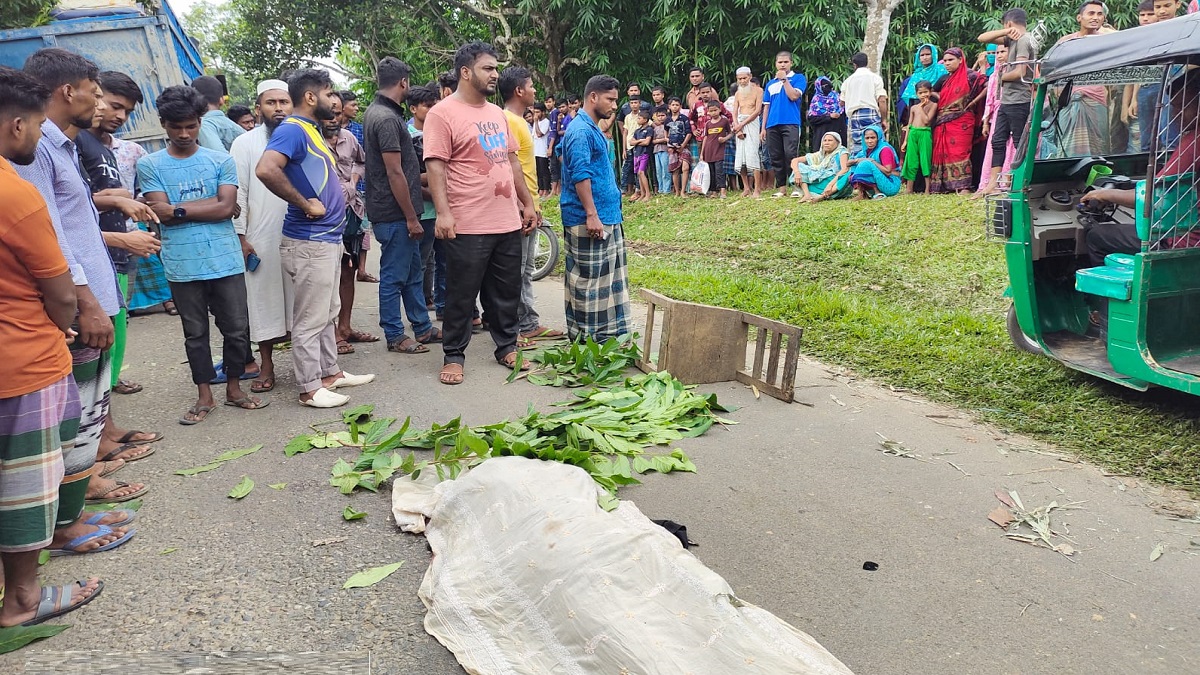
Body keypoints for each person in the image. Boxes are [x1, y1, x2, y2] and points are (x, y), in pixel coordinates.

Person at [17, 48, 150, 512]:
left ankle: (85, 469)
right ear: (66, 91)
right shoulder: (34, 149)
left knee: (91, 399)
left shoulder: (63, 144)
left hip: (93, 285)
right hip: (78, 297)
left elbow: (72, 216)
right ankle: (77, 493)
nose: (99, 104)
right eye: (95, 94)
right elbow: (48, 230)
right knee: (74, 404)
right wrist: (86, 301)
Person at [0, 65, 107, 629]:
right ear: (17, 125)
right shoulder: (15, 194)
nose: (39, 136)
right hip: (22, 361)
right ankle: (20, 599)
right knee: (23, 485)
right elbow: (59, 289)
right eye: (37, 125)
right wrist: (66, 320)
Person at [137, 86, 265, 423]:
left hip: (225, 258)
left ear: (199, 122)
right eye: (175, 126)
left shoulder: (221, 159)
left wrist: (176, 209)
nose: (183, 134)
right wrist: (210, 207)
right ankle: (204, 395)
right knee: (194, 333)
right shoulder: (149, 164)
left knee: (236, 328)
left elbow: (225, 207)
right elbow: (160, 212)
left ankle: (235, 388)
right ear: (163, 123)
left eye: (191, 126)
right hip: (181, 263)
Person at [256, 69, 376, 407]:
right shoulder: (293, 130)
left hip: (325, 240)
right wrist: (303, 202)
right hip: (309, 242)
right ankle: (309, 388)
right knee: (310, 317)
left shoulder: (308, 129)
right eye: (328, 93)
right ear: (311, 97)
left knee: (327, 310)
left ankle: (330, 373)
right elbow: (266, 169)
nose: (334, 100)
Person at [425, 42, 538, 385]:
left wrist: (527, 202)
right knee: (461, 292)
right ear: (465, 72)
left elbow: (512, 161)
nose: (495, 74)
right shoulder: (442, 114)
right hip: (467, 222)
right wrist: (443, 213)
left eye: (495, 68)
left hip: (505, 218)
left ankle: (506, 345)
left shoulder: (497, 115)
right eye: (488, 68)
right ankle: (454, 354)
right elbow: (435, 165)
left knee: (505, 290)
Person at [1080, 70, 1198, 329]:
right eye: (1173, 107)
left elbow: (1155, 195)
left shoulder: (1193, 144)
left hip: (1183, 240)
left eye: (1182, 106)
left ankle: (1106, 317)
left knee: (1098, 236)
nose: (1175, 115)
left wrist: (1104, 193)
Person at [79, 71, 162, 397]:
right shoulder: (73, 144)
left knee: (118, 319)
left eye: (127, 111)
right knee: (96, 326)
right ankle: (96, 397)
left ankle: (109, 381)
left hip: (118, 250)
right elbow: (71, 209)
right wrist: (115, 200)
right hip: (93, 253)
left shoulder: (112, 149)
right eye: (114, 106)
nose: (119, 116)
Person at [363, 58, 436, 356]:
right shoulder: (387, 119)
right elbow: (394, 172)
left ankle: (422, 326)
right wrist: (411, 217)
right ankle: (394, 333)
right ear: (403, 82)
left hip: (394, 210)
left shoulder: (378, 113)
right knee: (394, 275)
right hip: (395, 214)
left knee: (413, 272)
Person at [230, 79, 292, 395]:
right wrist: (240, 237)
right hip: (261, 236)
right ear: (259, 108)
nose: (278, 108)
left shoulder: (303, 137)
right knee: (263, 303)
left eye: (284, 102)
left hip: (301, 234)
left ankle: (312, 366)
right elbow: (237, 193)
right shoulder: (244, 144)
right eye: (271, 103)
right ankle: (266, 366)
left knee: (306, 302)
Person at [561, 74, 631, 342]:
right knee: (590, 284)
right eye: (610, 99)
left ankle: (608, 338)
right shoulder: (580, 131)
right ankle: (588, 342)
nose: (615, 106)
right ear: (593, 97)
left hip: (607, 216)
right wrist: (591, 214)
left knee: (608, 283)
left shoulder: (591, 129)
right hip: (589, 218)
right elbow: (580, 174)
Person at [500, 65, 563, 343]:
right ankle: (515, 326)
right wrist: (522, 205)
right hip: (519, 206)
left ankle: (527, 322)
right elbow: (508, 168)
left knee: (524, 269)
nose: (535, 91)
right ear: (519, 90)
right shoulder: (509, 121)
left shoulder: (519, 121)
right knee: (516, 269)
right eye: (531, 86)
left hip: (529, 203)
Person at [322, 93, 378, 354]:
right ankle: (330, 333)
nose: (333, 119)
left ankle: (344, 327)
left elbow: (361, 161)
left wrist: (353, 182)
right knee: (326, 276)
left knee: (348, 270)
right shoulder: (310, 140)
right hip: (322, 217)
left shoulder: (350, 138)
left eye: (336, 113)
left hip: (351, 212)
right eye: (328, 113)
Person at [977, 8, 1036, 194]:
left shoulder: (1025, 40)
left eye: (1004, 25)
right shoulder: (1013, 38)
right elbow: (982, 38)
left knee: (1019, 143)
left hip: (1019, 100)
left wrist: (999, 77)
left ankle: (1019, 183)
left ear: (1008, 23)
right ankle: (992, 184)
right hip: (1007, 100)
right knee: (998, 140)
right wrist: (1005, 32)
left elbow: (1020, 72)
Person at [1050, 1, 1117, 157]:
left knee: (1099, 146)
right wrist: (1059, 93)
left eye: (1100, 14)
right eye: (1091, 13)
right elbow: (1051, 69)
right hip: (1069, 100)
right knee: (1067, 145)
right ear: (1079, 17)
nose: (1095, 17)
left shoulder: (1109, 41)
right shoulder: (1066, 42)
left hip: (1096, 99)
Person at [406, 85, 447, 320]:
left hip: (442, 210)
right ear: (413, 108)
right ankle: (419, 316)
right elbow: (407, 176)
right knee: (420, 265)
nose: (432, 110)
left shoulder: (438, 131)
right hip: (423, 211)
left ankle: (443, 308)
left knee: (445, 263)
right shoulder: (406, 133)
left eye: (434, 105)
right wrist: (435, 186)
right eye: (427, 106)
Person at [930, 47, 986, 194]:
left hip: (962, 121)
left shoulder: (971, 76)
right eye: (945, 61)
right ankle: (944, 186)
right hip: (943, 121)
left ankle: (963, 186)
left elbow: (988, 86)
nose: (947, 63)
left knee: (960, 152)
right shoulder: (945, 79)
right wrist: (942, 99)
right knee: (942, 152)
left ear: (961, 60)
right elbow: (932, 92)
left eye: (951, 60)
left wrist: (974, 102)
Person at [761, 51, 807, 196]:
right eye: (780, 62)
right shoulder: (770, 83)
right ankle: (781, 188)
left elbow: (793, 96)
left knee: (791, 154)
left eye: (785, 62)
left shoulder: (798, 78)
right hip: (772, 124)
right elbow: (766, 106)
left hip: (791, 122)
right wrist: (763, 127)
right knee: (776, 156)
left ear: (791, 63)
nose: (782, 65)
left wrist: (785, 80)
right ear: (775, 64)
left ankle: (796, 186)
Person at [974, 43, 1016, 194]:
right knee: (996, 147)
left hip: (1015, 111)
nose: (999, 55)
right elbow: (990, 101)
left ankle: (1007, 183)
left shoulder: (1018, 73)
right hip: (998, 114)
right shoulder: (993, 76)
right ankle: (990, 183)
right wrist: (986, 122)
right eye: (997, 52)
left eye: (1003, 51)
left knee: (1013, 147)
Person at [840, 52, 889, 157]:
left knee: (859, 144)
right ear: (867, 63)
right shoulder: (875, 78)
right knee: (877, 143)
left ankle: (859, 169)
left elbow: (841, 102)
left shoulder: (847, 81)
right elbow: (882, 100)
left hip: (854, 116)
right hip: (870, 113)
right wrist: (884, 119)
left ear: (854, 65)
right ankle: (879, 167)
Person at [731, 67, 764, 197]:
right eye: (740, 79)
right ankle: (746, 188)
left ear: (750, 76)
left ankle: (757, 189)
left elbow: (757, 111)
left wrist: (741, 125)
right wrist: (736, 126)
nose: (743, 81)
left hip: (752, 123)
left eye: (744, 78)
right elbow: (734, 112)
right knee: (741, 157)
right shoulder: (738, 93)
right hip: (739, 123)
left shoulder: (758, 91)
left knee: (753, 155)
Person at [791, 131, 851, 202]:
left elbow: (844, 169)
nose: (826, 143)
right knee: (799, 166)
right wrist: (797, 173)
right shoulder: (820, 155)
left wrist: (830, 185)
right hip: (820, 181)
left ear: (837, 142)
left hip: (835, 183)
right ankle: (807, 195)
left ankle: (822, 196)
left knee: (849, 174)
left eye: (830, 140)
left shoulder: (842, 151)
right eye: (824, 140)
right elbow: (795, 160)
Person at [901, 81, 937, 193]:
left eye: (926, 92)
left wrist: (921, 107)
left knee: (925, 160)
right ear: (917, 94)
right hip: (913, 134)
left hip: (924, 133)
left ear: (930, 92)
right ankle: (909, 189)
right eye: (920, 93)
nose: (923, 95)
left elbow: (926, 121)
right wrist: (905, 141)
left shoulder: (933, 105)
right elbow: (909, 125)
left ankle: (927, 189)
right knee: (911, 161)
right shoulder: (913, 108)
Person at [848, 125, 902, 199]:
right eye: (867, 138)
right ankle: (862, 194)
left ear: (878, 138)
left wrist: (872, 161)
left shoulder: (884, 149)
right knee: (855, 165)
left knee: (866, 163)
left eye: (873, 138)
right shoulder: (865, 151)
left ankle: (878, 193)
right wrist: (856, 160)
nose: (869, 141)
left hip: (890, 184)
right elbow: (848, 163)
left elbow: (888, 172)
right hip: (879, 182)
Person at [192, 75, 244, 152]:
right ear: (221, 100)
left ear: (193, 101)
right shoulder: (235, 127)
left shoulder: (203, 125)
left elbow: (218, 158)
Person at [899, 44, 949, 111]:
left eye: (928, 54)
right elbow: (910, 96)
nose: (925, 57)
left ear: (933, 55)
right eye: (922, 55)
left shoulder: (942, 70)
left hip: (939, 106)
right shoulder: (916, 75)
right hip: (918, 108)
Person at [699, 101, 733, 198]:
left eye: (715, 110)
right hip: (708, 151)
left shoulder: (724, 121)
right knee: (711, 172)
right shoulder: (708, 124)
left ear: (720, 109)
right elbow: (705, 138)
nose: (713, 113)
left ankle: (723, 190)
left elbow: (731, 133)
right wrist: (702, 153)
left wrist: (724, 139)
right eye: (711, 111)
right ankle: (714, 192)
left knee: (720, 171)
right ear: (708, 112)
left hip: (719, 150)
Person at [807, 76, 847, 153]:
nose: (826, 88)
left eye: (828, 85)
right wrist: (829, 117)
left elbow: (844, 113)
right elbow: (812, 119)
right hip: (822, 134)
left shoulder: (837, 97)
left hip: (839, 132)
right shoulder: (816, 100)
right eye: (824, 86)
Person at [665, 97, 693, 196]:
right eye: (673, 105)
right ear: (669, 106)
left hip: (683, 146)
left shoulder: (684, 118)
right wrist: (666, 138)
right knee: (674, 170)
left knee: (685, 167)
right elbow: (666, 130)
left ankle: (683, 191)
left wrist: (683, 145)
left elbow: (689, 133)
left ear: (680, 107)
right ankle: (677, 191)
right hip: (672, 148)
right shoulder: (667, 119)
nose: (675, 107)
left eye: (677, 105)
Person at [620, 96, 644, 196]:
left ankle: (638, 189)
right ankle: (623, 190)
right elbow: (625, 133)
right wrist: (624, 149)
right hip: (629, 146)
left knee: (639, 169)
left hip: (640, 146)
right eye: (632, 103)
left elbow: (651, 125)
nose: (634, 105)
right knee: (625, 169)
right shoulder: (627, 117)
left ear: (640, 104)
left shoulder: (643, 116)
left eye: (636, 103)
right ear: (629, 105)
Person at [631, 109, 655, 200]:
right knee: (638, 174)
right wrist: (640, 141)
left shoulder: (649, 129)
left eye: (639, 118)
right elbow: (631, 142)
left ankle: (648, 194)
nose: (638, 120)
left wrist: (637, 142)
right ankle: (642, 194)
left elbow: (647, 142)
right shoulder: (637, 131)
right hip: (636, 153)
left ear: (645, 120)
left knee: (642, 172)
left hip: (644, 153)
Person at [651, 106, 672, 195]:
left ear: (666, 116)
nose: (660, 117)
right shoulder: (655, 128)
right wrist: (662, 140)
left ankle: (667, 190)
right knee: (658, 171)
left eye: (663, 115)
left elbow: (669, 139)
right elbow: (653, 141)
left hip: (665, 150)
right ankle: (660, 189)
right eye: (659, 116)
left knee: (665, 170)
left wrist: (660, 140)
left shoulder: (669, 126)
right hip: (656, 151)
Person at [532, 102, 552, 196]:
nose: (536, 114)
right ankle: (541, 188)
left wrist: (535, 122)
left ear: (543, 112)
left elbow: (539, 134)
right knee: (538, 171)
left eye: (538, 112)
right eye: (535, 112)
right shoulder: (537, 122)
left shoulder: (546, 122)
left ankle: (546, 189)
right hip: (536, 150)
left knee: (544, 171)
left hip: (543, 150)